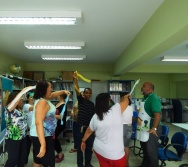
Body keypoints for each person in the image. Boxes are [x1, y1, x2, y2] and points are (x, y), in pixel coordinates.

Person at [81, 93, 130, 167]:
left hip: (100, 150)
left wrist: (83, 141)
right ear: (108, 101)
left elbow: (89, 130)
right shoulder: (115, 109)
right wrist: (126, 97)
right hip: (116, 154)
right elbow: (126, 102)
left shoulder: (95, 116)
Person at [30, 79, 70, 167]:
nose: (52, 89)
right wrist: (43, 145)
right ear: (44, 89)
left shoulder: (43, 98)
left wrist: (63, 91)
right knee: (48, 163)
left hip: (44, 135)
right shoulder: (42, 102)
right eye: (50, 87)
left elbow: (52, 95)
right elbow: (38, 123)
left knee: (38, 161)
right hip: (43, 136)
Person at [4, 86, 35, 167]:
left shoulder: (20, 109)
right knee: (13, 160)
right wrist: (26, 90)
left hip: (23, 137)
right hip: (13, 138)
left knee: (22, 159)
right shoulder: (9, 109)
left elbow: (23, 122)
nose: (21, 99)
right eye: (19, 98)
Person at [137, 82, 162, 167]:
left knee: (151, 152)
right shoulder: (145, 98)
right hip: (144, 128)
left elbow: (157, 115)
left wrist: (154, 128)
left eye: (143, 86)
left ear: (149, 89)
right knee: (145, 150)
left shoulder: (153, 98)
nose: (141, 87)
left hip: (152, 129)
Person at [73, 72, 95, 167]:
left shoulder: (92, 104)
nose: (88, 94)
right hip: (80, 128)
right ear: (84, 94)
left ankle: (87, 164)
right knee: (79, 147)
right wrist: (75, 80)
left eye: (90, 93)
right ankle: (80, 164)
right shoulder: (81, 101)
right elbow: (77, 90)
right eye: (86, 92)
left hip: (89, 129)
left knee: (89, 148)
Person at [120, 92, 133, 167]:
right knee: (126, 146)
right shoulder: (130, 107)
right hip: (129, 127)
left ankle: (122, 163)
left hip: (122, 127)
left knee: (121, 146)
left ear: (123, 98)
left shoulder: (121, 106)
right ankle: (126, 162)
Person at [54, 93, 68, 163]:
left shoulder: (63, 105)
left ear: (61, 96)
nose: (56, 95)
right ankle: (59, 152)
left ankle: (60, 154)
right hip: (55, 124)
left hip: (60, 124)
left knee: (53, 138)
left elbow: (61, 117)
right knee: (54, 138)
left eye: (58, 95)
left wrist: (51, 115)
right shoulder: (58, 103)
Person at [22, 91, 34, 165]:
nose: (33, 98)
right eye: (31, 97)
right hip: (28, 131)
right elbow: (32, 108)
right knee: (26, 148)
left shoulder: (36, 105)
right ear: (27, 98)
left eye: (34, 96)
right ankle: (23, 162)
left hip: (35, 131)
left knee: (36, 148)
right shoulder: (26, 105)